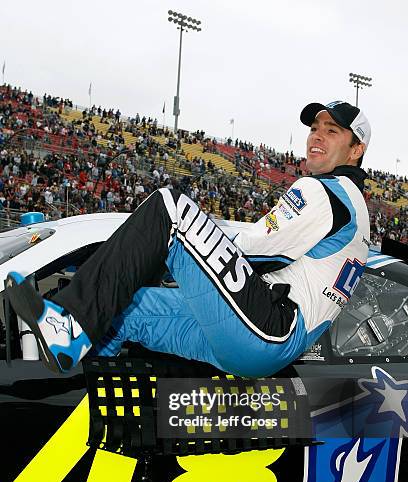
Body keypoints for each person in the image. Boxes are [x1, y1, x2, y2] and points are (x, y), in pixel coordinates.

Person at [6, 101, 371, 377]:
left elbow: (259, 253)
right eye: (314, 128)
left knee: (169, 207)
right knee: (126, 309)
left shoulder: (325, 192)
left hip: (269, 328)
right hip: (261, 341)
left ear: (356, 151)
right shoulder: (355, 205)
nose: (317, 136)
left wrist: (175, 249)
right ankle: (68, 386)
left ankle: (70, 327)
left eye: (332, 131)